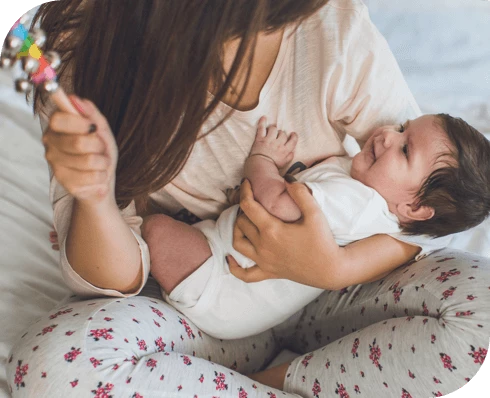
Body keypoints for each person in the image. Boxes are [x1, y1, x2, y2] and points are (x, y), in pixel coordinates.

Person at [7, 0, 489, 396]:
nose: (390, 136)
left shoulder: (330, 27)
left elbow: (429, 214)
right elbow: (108, 280)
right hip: (203, 305)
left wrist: (331, 269)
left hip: (333, 298)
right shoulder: (90, 61)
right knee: (53, 367)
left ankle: (275, 382)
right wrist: (94, 197)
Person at [141, 113, 490, 340]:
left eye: (404, 150)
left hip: (222, 284)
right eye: (402, 127)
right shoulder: (366, 183)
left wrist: (260, 161)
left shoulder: (360, 205)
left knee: (155, 229)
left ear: (415, 207)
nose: (386, 135)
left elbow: (276, 204)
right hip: (224, 264)